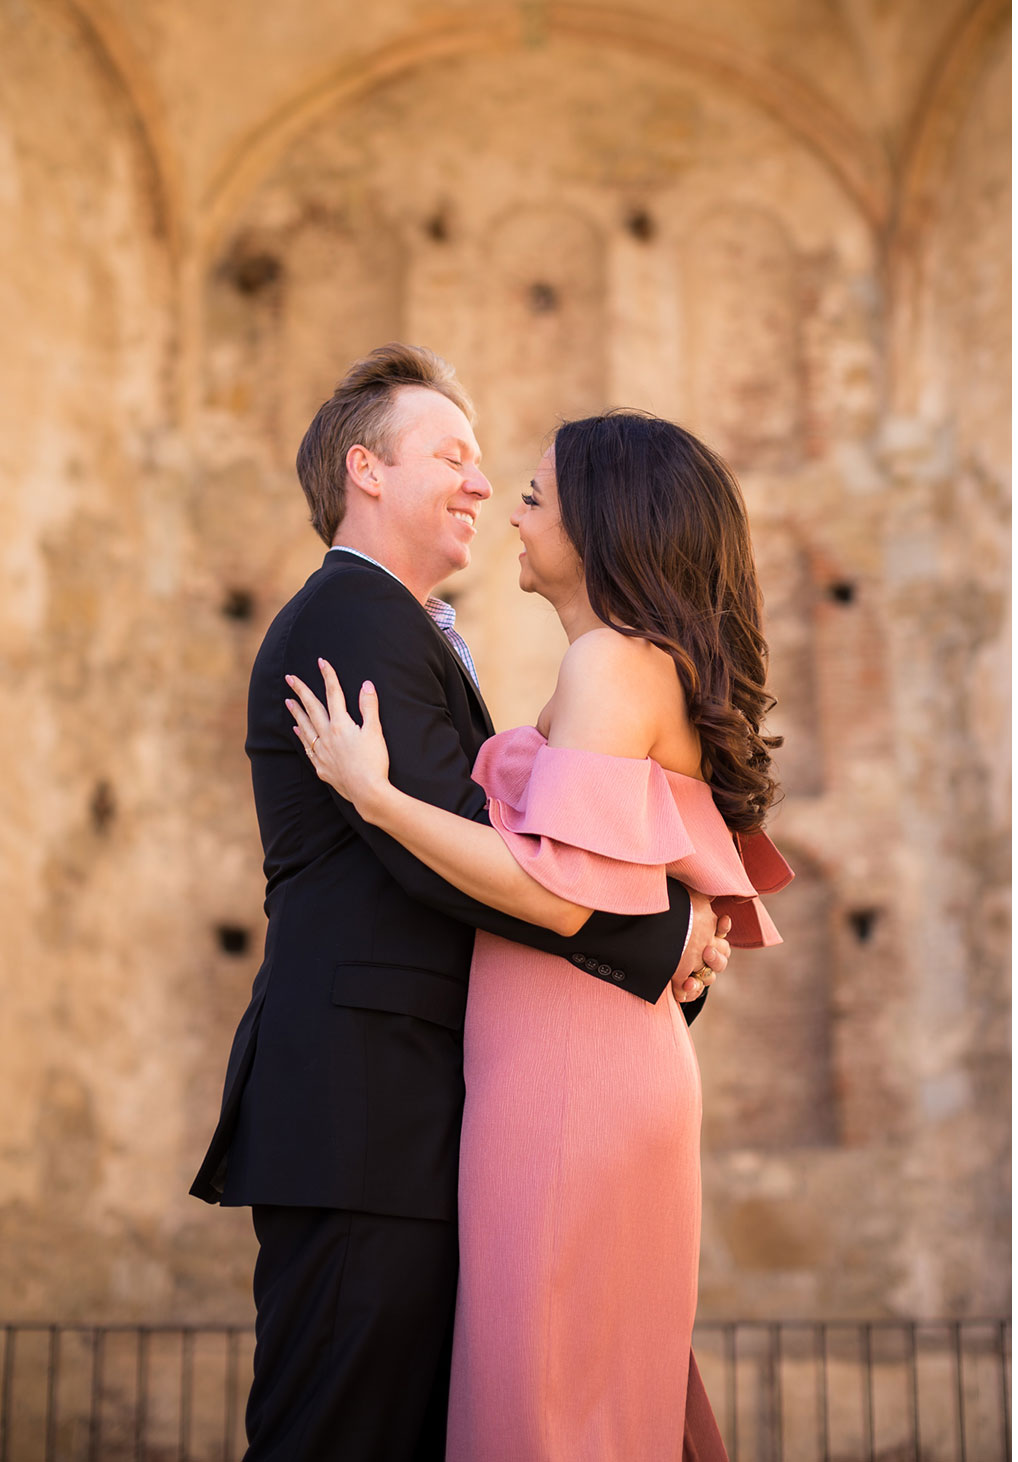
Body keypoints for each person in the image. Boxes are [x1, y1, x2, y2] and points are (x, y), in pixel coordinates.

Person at [190, 346, 728, 1461]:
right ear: (365, 471)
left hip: (415, 1110)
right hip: (364, 1107)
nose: (483, 484)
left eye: (496, 467)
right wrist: (663, 935)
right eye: (454, 455)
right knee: (331, 1431)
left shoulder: (418, 628)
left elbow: (522, 846)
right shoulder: (353, 614)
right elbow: (455, 850)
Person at [288, 407, 791, 1462]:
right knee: (583, 1395)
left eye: (533, 497)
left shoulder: (611, 661)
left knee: (546, 1407)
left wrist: (375, 796)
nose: (508, 512)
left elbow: (558, 894)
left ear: (603, 525)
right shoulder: (625, 662)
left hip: (571, 1078)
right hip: (577, 1061)